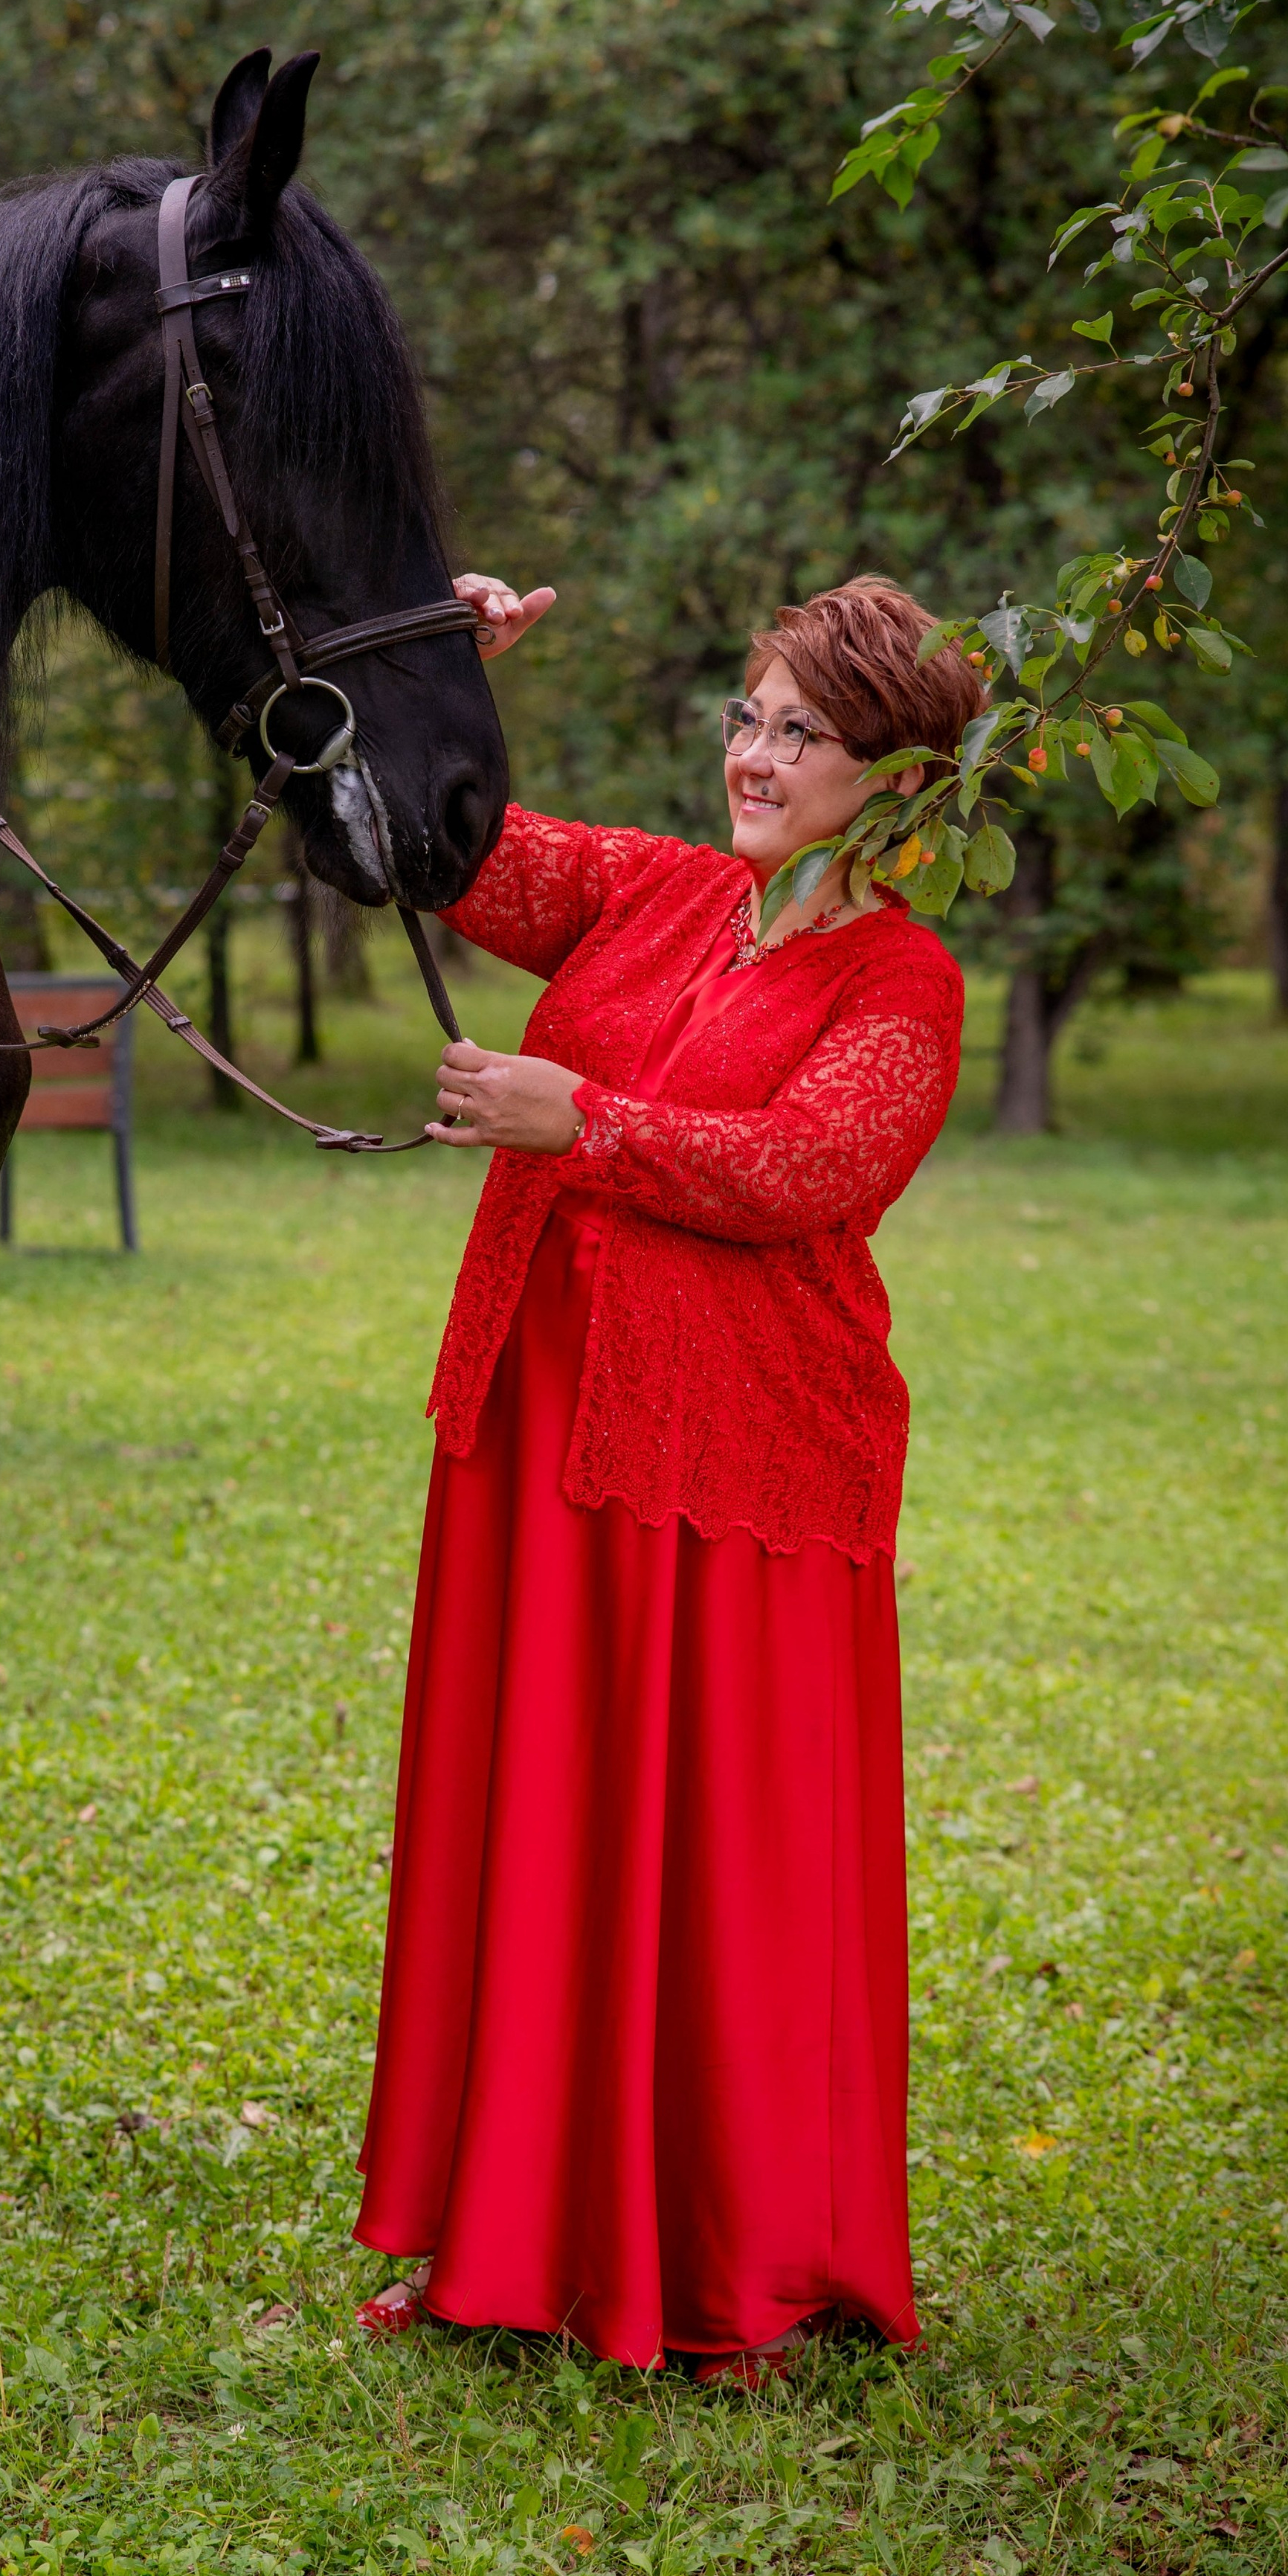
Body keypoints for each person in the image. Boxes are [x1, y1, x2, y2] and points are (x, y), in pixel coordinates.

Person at [351, 572, 982, 2379]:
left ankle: (719, 2255)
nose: (754, 756)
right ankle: (509, 2246)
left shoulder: (901, 983)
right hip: (543, 1445)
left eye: (802, 733)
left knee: (712, 1858)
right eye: (746, 715)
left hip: (739, 1472)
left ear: (896, 779)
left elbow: (808, 1173)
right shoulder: (648, 889)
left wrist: (585, 1121)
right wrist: (425, 668)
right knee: (538, 1830)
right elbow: (434, 845)